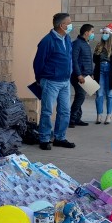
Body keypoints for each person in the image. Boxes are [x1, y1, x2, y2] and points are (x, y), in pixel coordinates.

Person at [33, 12, 76, 150]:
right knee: (47, 111)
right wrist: (39, 78)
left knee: (65, 111)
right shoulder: (47, 41)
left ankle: (60, 137)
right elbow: (38, 62)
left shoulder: (67, 39)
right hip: (51, 81)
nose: (70, 25)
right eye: (68, 23)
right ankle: (44, 138)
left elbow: (69, 58)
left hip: (65, 81)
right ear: (61, 25)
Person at [70, 23, 95, 127]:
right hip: (79, 76)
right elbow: (74, 60)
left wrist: (91, 74)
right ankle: (71, 119)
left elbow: (89, 60)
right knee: (80, 96)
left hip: (86, 75)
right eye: (92, 32)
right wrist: (79, 75)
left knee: (81, 97)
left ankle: (77, 118)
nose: (93, 34)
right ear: (86, 32)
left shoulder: (86, 43)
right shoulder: (77, 43)